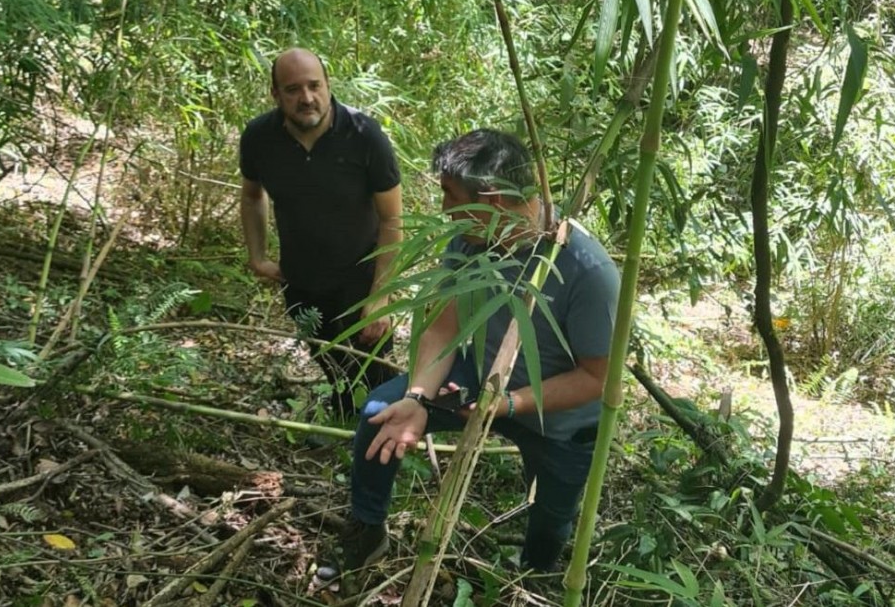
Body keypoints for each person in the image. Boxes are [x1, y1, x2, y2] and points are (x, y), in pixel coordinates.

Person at [334, 129, 621, 575]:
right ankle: (367, 531)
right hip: (481, 378)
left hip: (560, 422)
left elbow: (596, 378)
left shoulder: (587, 270)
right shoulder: (470, 242)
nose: (443, 210)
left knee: (549, 525)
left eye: (449, 195)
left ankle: (531, 574)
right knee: (381, 413)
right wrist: (417, 398)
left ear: (491, 200)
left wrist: (506, 405)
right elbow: (445, 324)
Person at [239, 48, 402, 417]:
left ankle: (383, 441)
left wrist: (381, 296)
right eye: (293, 89)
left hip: (362, 277)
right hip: (300, 278)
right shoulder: (259, 137)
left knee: (377, 373)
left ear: (328, 85)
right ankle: (343, 415)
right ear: (276, 95)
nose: (306, 98)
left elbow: (393, 220)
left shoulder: (364, 135)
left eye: (314, 86)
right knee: (330, 362)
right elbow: (252, 197)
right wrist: (257, 256)